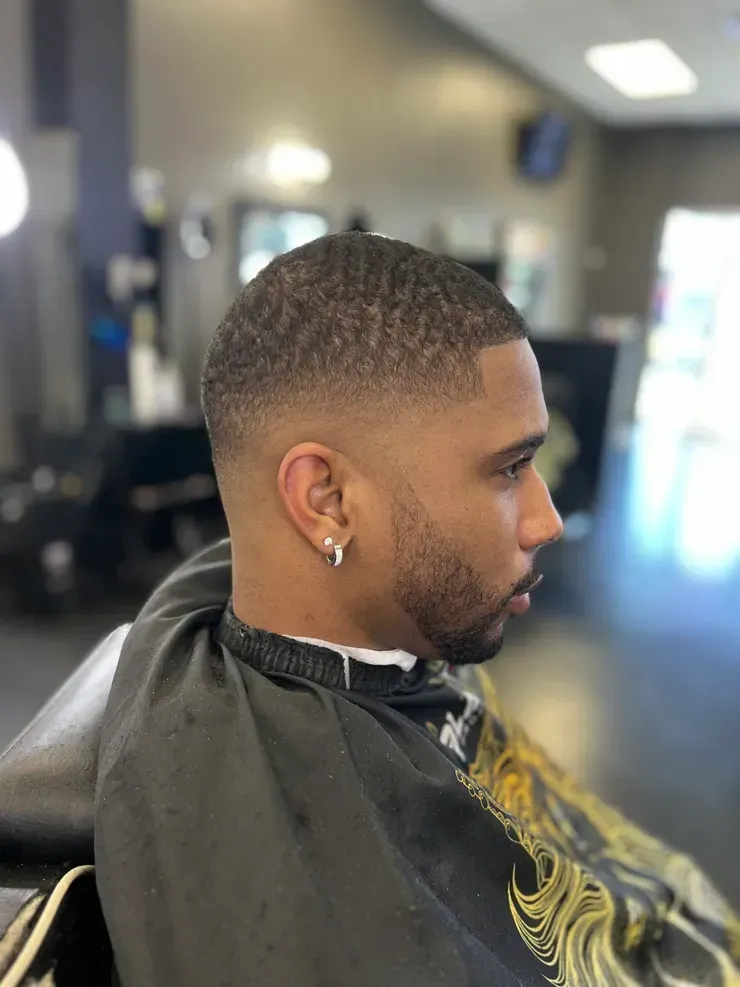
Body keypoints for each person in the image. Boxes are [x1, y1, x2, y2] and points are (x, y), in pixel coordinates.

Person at [96, 233, 740, 987]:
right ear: (326, 500)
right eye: (509, 469)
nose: (548, 520)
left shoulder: (365, 609)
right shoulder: (306, 921)